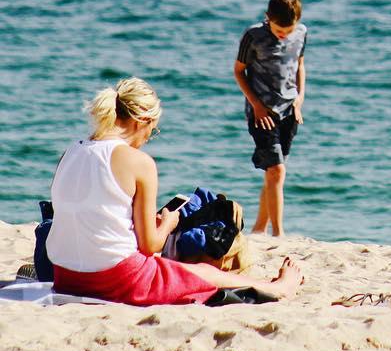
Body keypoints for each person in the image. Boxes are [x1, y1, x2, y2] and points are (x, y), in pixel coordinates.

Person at [47, 77, 302, 305]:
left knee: (181, 269)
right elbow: (150, 246)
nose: (149, 137)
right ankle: (278, 288)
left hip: (66, 277)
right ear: (142, 121)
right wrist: (168, 223)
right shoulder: (139, 162)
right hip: (117, 280)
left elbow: (91, 215)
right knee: (204, 273)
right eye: (153, 129)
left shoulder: (70, 153)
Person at [233, 0, 307, 236]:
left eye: (288, 30)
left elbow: (300, 65)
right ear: (268, 17)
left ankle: (259, 229)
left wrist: (300, 98)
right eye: (278, 30)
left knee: (274, 173)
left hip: (289, 112)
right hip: (262, 113)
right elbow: (238, 71)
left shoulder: (301, 33)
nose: (283, 34)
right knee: (277, 170)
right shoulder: (253, 35)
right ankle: (278, 233)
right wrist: (256, 105)